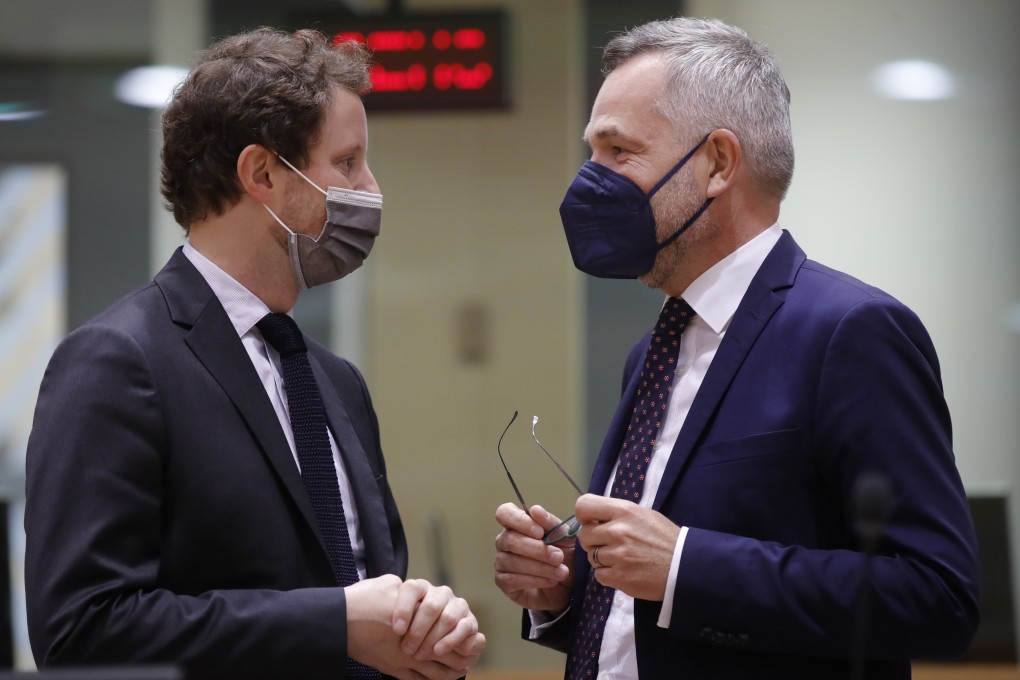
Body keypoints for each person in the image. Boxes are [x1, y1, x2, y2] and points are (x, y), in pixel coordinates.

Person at [493, 16, 979, 679]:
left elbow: (937, 597)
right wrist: (563, 592)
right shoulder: (657, 346)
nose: (590, 180)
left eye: (618, 152)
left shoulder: (851, 330)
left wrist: (687, 566)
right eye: (592, 153)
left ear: (718, 163)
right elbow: (656, 622)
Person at [25, 27, 485, 680]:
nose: (371, 188)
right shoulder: (118, 361)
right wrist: (336, 623)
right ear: (262, 173)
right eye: (349, 162)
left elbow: (364, 598)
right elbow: (82, 631)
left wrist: (422, 632)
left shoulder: (335, 381)